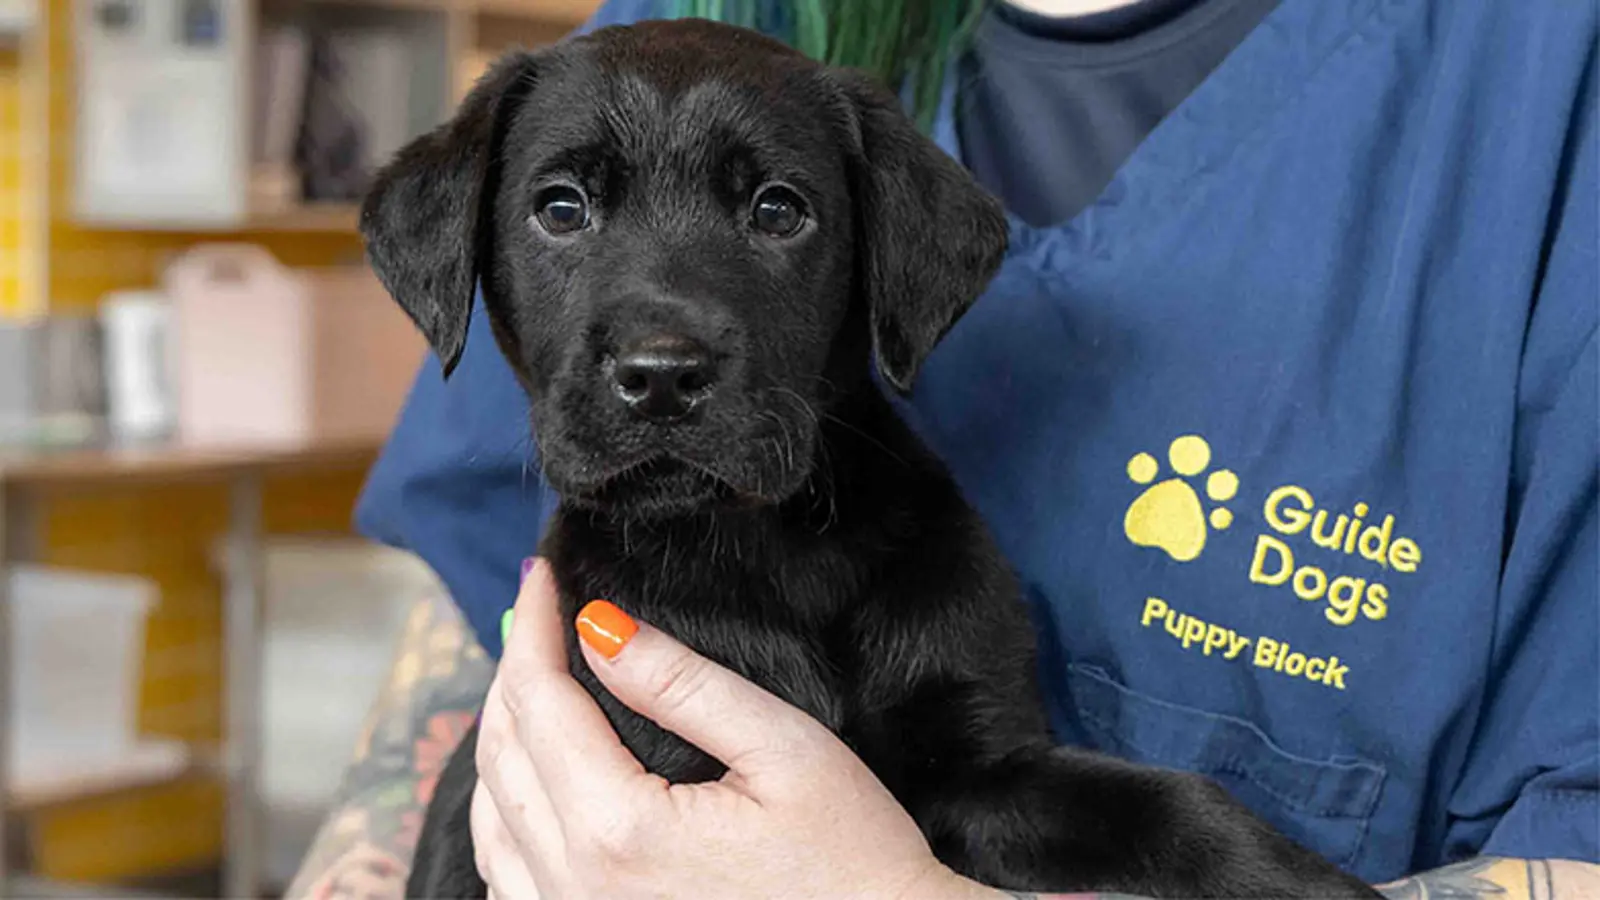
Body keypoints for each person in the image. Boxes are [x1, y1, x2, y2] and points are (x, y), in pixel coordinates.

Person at [287, 0, 1598, 897]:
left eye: (777, 211)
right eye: (566, 209)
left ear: (882, 263)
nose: (661, 342)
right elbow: (454, 684)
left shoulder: (1533, 85)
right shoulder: (705, 21)